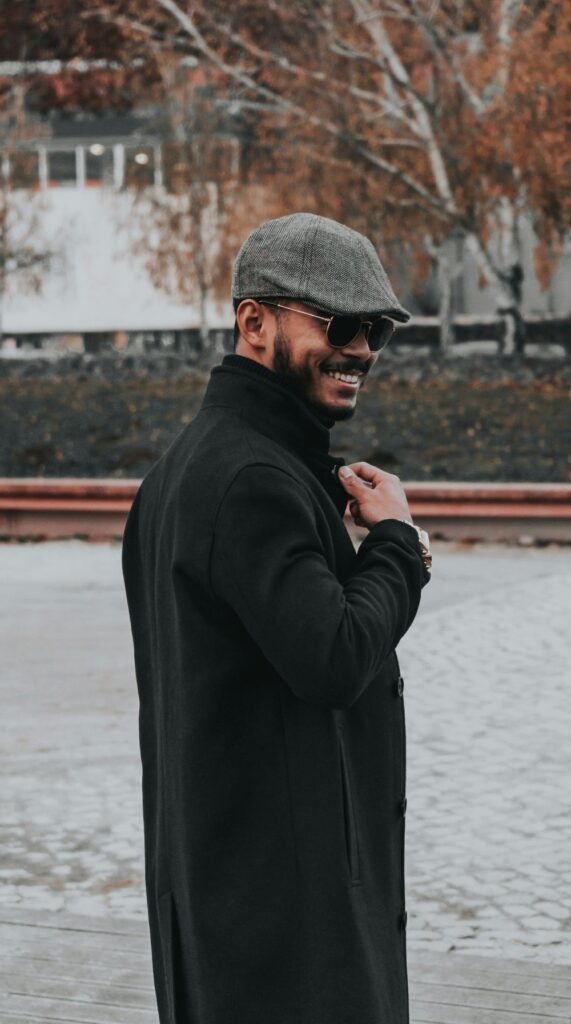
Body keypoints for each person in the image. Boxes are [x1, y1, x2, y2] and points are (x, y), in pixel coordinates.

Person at [122, 212, 432, 1024]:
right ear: (253, 321)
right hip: (284, 938)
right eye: (337, 322)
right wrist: (397, 546)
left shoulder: (178, 474)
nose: (362, 347)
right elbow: (333, 656)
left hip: (228, 902)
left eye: (375, 330)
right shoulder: (252, 480)